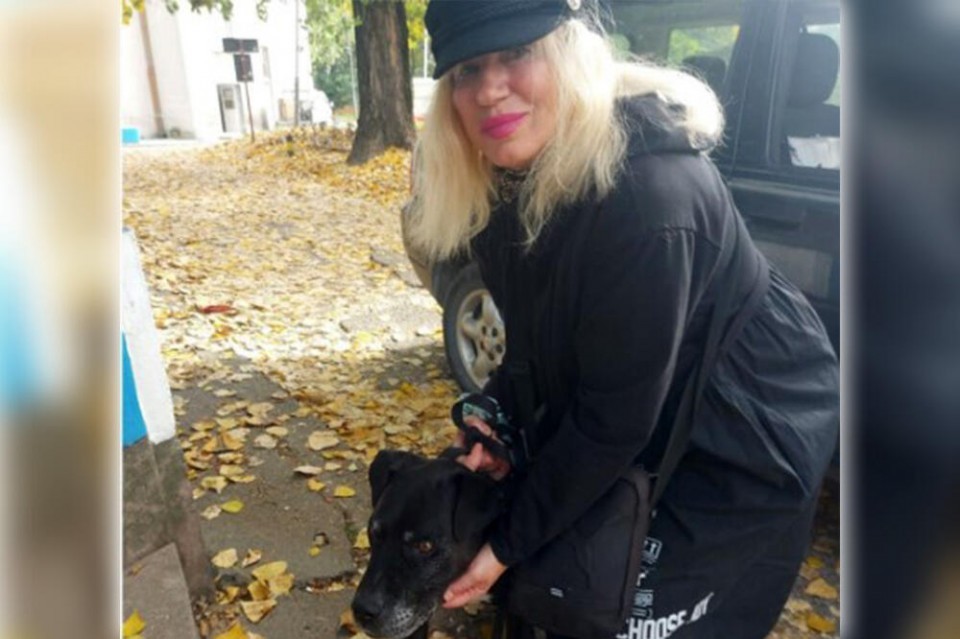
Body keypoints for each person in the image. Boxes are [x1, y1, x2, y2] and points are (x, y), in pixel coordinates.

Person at [409, 1, 840, 638]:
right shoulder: (508, 180)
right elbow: (539, 344)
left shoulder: (649, 200)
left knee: (644, 619)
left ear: (568, 55)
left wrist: (503, 547)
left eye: (517, 53)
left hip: (741, 434)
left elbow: (612, 422)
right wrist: (494, 414)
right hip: (646, 404)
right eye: (468, 69)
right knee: (569, 587)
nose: (489, 89)